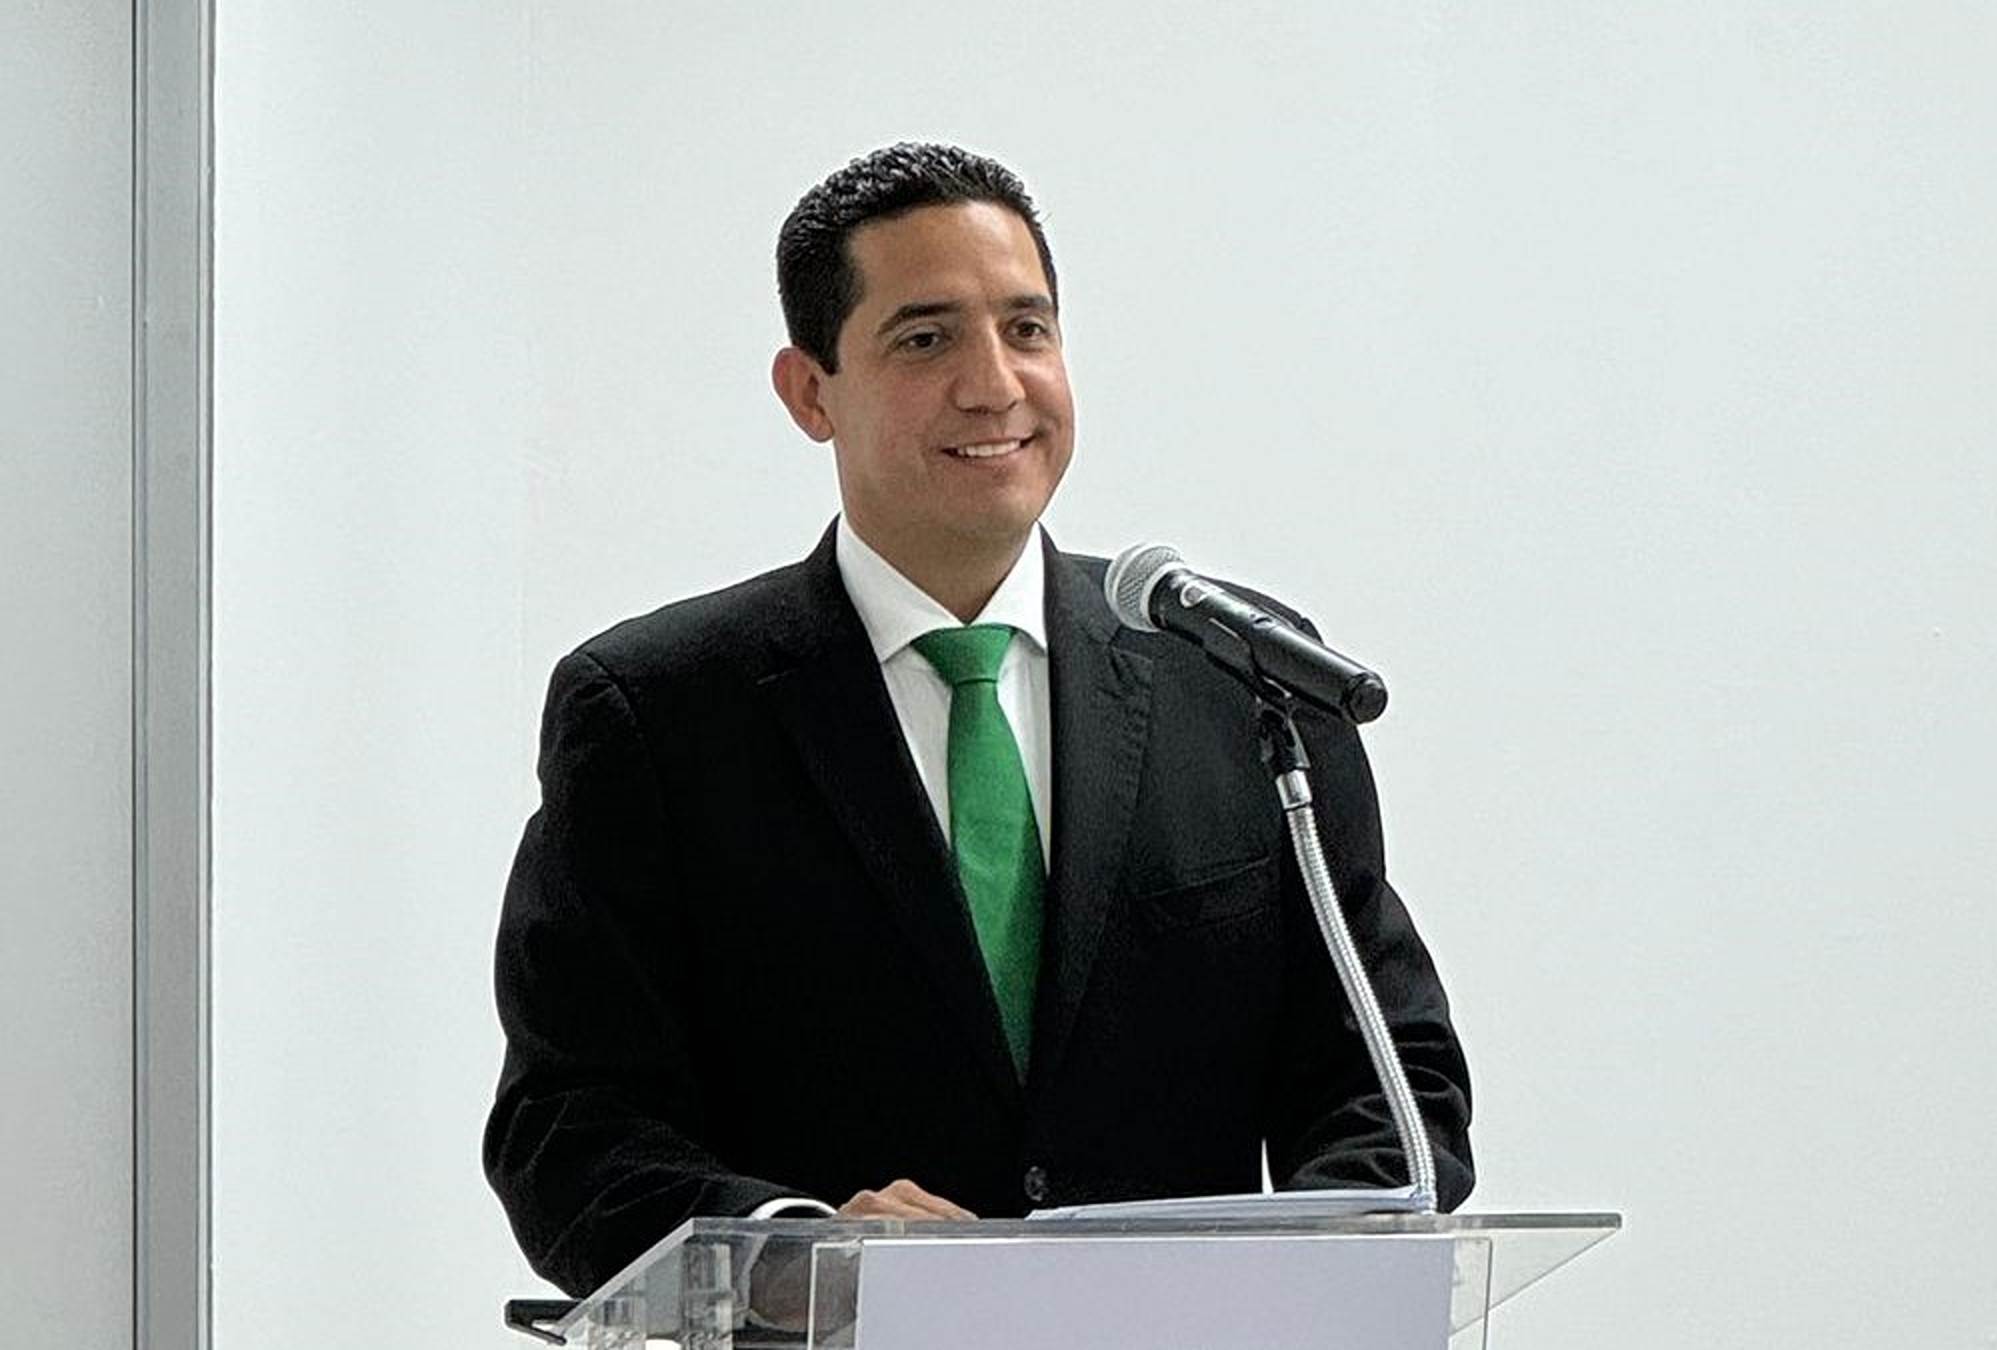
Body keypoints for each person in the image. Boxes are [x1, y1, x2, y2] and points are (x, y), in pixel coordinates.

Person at [482, 141, 1473, 1297]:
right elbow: (569, 1126)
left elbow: (1389, 1079)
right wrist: (796, 1249)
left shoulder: (1237, 681)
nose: (994, 384)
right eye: (925, 338)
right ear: (811, 391)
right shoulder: (657, 713)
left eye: (1029, 328)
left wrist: (1295, 1268)